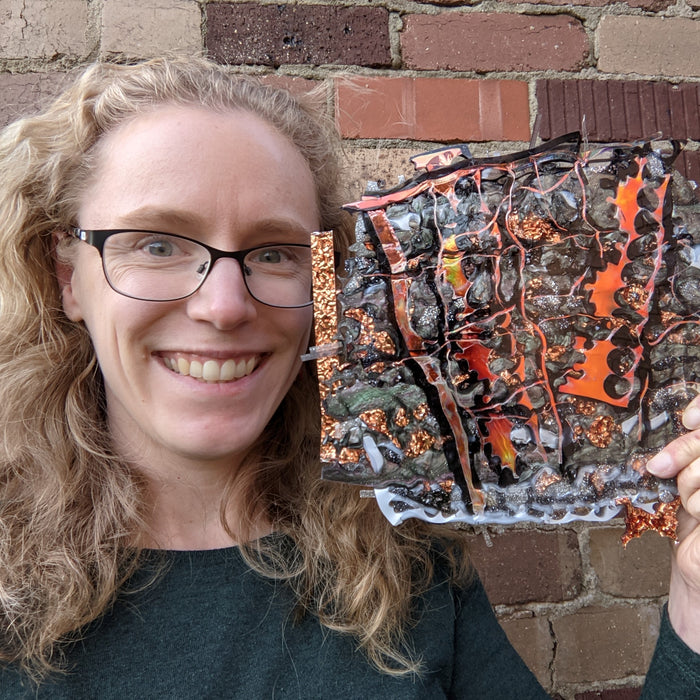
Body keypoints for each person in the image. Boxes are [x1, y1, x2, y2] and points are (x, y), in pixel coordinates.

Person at [0, 56, 695, 699]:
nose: (224, 307)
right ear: (67, 278)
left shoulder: (405, 560)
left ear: (327, 291)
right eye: (156, 244)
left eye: (275, 252)